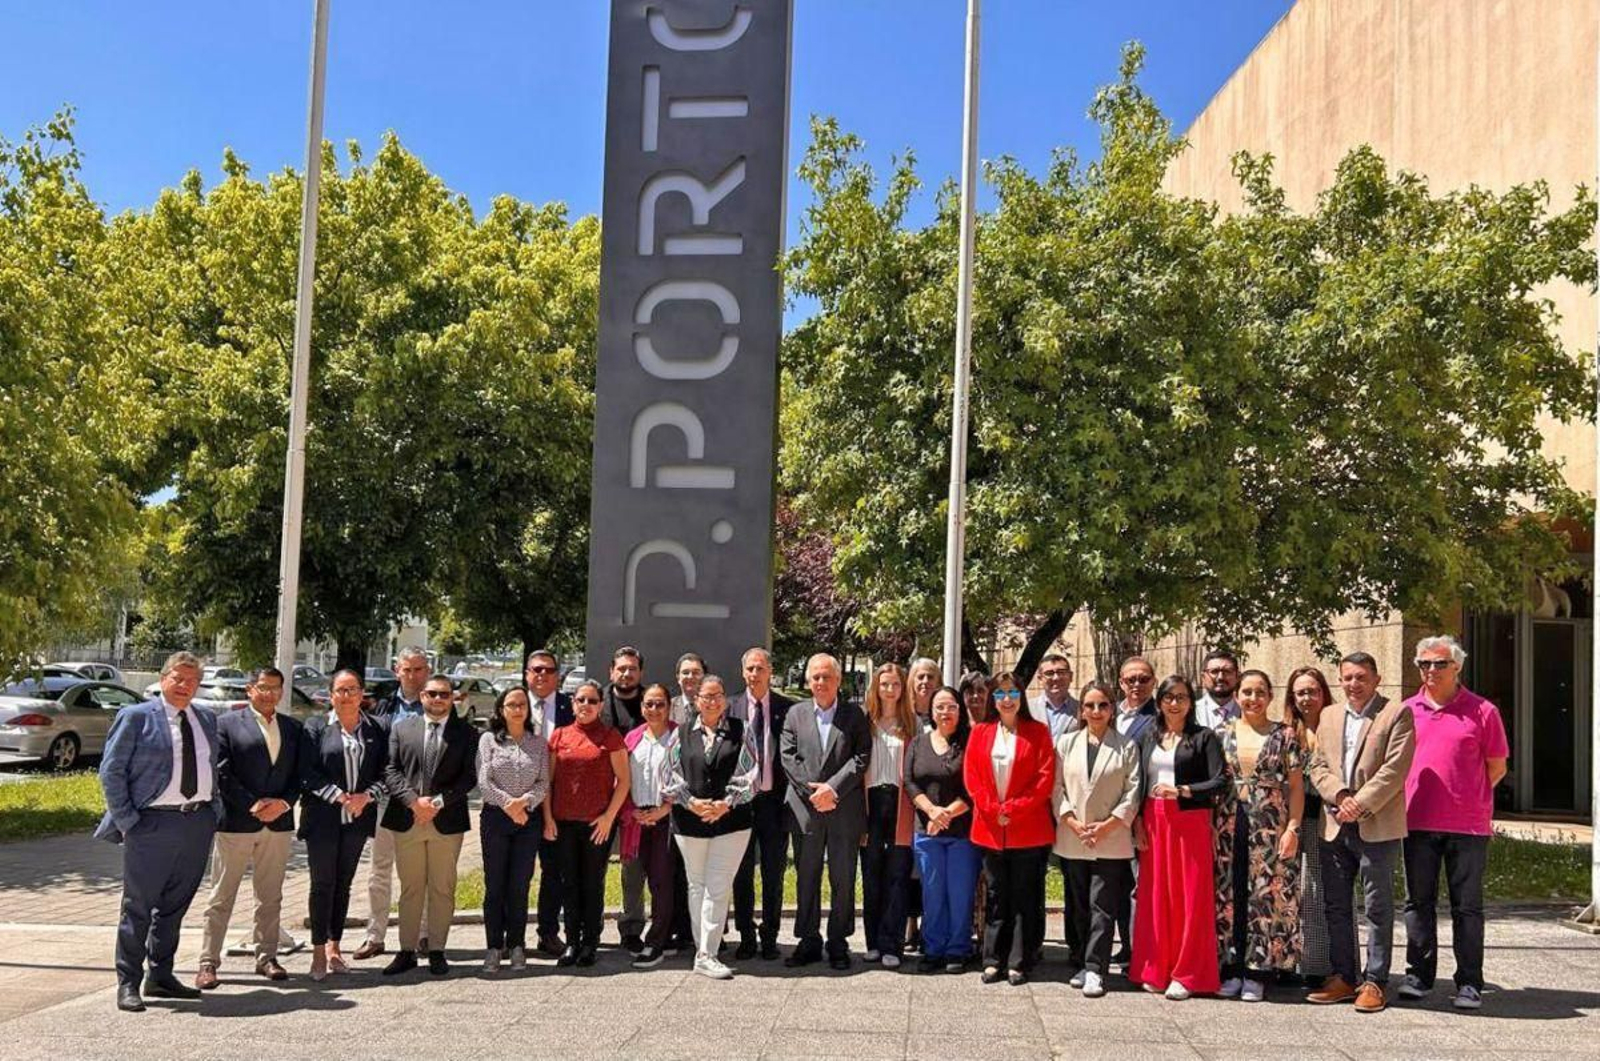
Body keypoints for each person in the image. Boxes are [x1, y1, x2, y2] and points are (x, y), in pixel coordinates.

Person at [97, 651, 225, 1012]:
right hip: (151, 824)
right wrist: (128, 822)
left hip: (196, 822)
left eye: (192, 681)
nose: (185, 686)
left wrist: (213, 813)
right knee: (138, 907)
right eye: (178, 679)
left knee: (174, 906)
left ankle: (161, 975)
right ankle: (128, 982)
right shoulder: (136, 717)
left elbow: (213, 767)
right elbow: (112, 772)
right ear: (163, 678)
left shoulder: (206, 719)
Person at [1398, 635, 1508, 1011]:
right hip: (1417, 821)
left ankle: (1469, 983)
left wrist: (1465, 796)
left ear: (1457, 666)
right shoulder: (1407, 710)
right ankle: (1418, 976)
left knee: (1467, 907)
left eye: (1438, 664)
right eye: (1424, 664)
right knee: (1418, 903)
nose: (1430, 671)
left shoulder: (1483, 711)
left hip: (1468, 826)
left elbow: (1496, 766)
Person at [1306, 651, 1415, 1013]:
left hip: (1376, 823)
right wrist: (1339, 795)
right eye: (1348, 678)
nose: (1354, 684)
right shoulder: (1329, 715)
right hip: (1335, 822)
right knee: (1336, 905)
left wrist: (1359, 802)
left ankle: (1375, 980)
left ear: (1376, 679)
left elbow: (1394, 770)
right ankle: (1344, 976)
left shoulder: (1396, 714)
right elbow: (1318, 765)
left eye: (1361, 678)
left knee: (1378, 906)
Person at [197, 666, 302, 988]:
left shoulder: (293, 728)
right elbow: (222, 771)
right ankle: (208, 962)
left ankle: (267, 957)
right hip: (238, 822)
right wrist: (252, 804)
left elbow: (301, 773)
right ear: (249, 690)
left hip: (279, 823)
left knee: (270, 896)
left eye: (275, 687)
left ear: (282, 691)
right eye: (262, 687)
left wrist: (284, 803)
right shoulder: (227, 724)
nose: (268, 693)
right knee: (221, 895)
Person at [1129, 675, 1226, 1000]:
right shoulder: (1148, 735)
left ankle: (1187, 974)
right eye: (1169, 697)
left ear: (1191, 702)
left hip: (1189, 821)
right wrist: (1137, 821)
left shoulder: (1204, 737)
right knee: (1155, 896)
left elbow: (1218, 781)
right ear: (1159, 702)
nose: (1175, 703)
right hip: (1153, 821)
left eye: (1182, 697)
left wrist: (1183, 791)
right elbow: (1140, 780)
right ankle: (1155, 968)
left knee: (1190, 898)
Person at [1213, 670, 1305, 1003]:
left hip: (1270, 825)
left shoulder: (1285, 735)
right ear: (1237, 696)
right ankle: (1231, 967)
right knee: (1229, 894)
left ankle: (1258, 971)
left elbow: (1296, 787)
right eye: (1247, 692)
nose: (1253, 698)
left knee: (1265, 898)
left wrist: (1292, 828)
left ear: (1270, 696)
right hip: (1226, 823)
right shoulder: (1220, 733)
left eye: (1260, 692)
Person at [381, 674, 477, 978]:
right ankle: (406, 951)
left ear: (453, 698)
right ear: (422, 696)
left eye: (444, 695)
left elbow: (468, 779)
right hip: (407, 818)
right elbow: (390, 770)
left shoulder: (467, 734)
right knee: (410, 889)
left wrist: (434, 804)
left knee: (442, 888)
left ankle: (437, 950)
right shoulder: (401, 729)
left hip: (445, 821)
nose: (438, 700)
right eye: (432, 694)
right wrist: (413, 802)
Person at [780, 653, 872, 969]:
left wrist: (832, 789)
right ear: (808, 681)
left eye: (827, 677)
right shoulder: (795, 714)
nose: (821, 682)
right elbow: (789, 759)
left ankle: (838, 942)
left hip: (843, 807)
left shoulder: (854, 715)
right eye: (815, 677)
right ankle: (808, 940)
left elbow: (860, 757)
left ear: (838, 681)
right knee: (807, 876)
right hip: (804, 810)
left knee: (843, 877)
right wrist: (814, 793)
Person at [664, 675, 759, 979]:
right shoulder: (680, 734)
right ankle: (703, 950)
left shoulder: (741, 731)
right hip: (689, 821)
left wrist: (726, 803)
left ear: (726, 700)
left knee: (717, 886)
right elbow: (668, 774)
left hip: (731, 821)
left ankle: (707, 953)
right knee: (697, 885)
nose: (713, 701)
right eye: (706, 696)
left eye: (718, 695)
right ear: (696, 701)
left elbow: (752, 773)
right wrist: (691, 802)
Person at [964, 671, 1055, 986]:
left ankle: (1019, 961)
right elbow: (972, 777)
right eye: (1000, 694)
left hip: (1028, 827)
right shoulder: (981, 732)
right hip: (991, 828)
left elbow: (1044, 780)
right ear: (992, 698)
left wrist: (1013, 810)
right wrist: (993, 808)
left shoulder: (1038, 732)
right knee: (996, 895)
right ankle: (992, 959)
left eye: (1012, 694)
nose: (1006, 700)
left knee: (1024, 897)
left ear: (1021, 698)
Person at [299, 669, 388, 981]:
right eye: (341, 690)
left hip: (357, 820)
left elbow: (386, 771)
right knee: (322, 884)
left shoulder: (376, 728)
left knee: (343, 884)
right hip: (323, 819)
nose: (347, 695)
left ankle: (336, 947)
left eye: (353, 689)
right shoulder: (315, 727)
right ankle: (318, 951)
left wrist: (367, 797)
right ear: (331, 694)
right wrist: (339, 796)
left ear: (362, 694)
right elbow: (307, 772)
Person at [1053, 680, 1140, 998]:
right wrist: (1073, 822)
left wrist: (1107, 826)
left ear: (1112, 709)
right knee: (1077, 905)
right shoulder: (1066, 743)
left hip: (1111, 838)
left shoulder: (1126, 746)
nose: (1096, 711)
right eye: (1090, 705)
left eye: (1103, 705)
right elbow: (1056, 788)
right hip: (1074, 836)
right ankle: (1079, 959)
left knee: (1102, 906)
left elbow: (1133, 792)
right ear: (1081, 710)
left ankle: (1095, 969)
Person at [544, 679, 630, 966]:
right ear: (573, 703)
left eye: (592, 701)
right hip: (564, 822)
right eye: (581, 700)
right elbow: (548, 782)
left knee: (592, 883)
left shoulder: (611, 737)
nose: (586, 705)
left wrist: (608, 817)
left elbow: (624, 781)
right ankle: (572, 941)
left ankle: (590, 942)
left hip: (597, 825)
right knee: (569, 883)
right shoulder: (559, 736)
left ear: (601, 705)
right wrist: (547, 818)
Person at [354, 644, 430, 961]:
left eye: (418, 669)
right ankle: (375, 935)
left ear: (426, 671)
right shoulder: (382, 707)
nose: (412, 676)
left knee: (420, 872)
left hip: (423, 803)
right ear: (396, 670)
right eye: (406, 669)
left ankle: (423, 934)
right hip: (386, 800)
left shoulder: (435, 705)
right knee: (379, 871)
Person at [906, 686, 979, 973]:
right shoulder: (918, 743)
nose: (945, 712)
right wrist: (932, 811)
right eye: (939, 707)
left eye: (951, 707)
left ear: (960, 711)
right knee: (932, 893)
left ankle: (958, 949)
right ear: (931, 712)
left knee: (960, 894)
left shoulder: (971, 742)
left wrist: (947, 813)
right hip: (927, 832)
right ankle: (933, 948)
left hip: (962, 832)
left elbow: (975, 786)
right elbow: (910, 781)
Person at [477, 685, 549, 973]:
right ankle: (494, 946)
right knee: (495, 885)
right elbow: (484, 781)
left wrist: (525, 803)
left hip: (527, 821)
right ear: (501, 710)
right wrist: (509, 805)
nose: (518, 709)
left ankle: (517, 945)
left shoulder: (538, 743)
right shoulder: (488, 740)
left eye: (522, 704)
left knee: (520, 885)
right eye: (511, 705)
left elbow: (543, 782)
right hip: (496, 818)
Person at [730, 646, 793, 960]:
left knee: (773, 872)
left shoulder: (788, 709)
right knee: (741, 874)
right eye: (749, 669)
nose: (754, 674)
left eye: (760, 668)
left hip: (774, 803)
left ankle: (769, 935)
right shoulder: (730, 708)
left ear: (770, 672)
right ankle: (745, 935)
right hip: (740, 805)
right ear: (743, 672)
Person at [860, 662, 916, 968]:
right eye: (884, 684)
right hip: (871, 802)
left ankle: (892, 943)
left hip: (900, 804)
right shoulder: (865, 722)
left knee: (896, 875)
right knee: (871, 875)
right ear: (876, 687)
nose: (890, 690)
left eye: (895, 684)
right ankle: (872, 942)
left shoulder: (912, 725)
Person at [621, 683, 680, 969]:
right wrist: (633, 811)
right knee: (636, 877)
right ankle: (655, 935)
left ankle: (656, 942)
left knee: (662, 881)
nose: (654, 709)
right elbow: (622, 780)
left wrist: (664, 809)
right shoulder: (632, 738)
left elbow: (687, 778)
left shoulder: (679, 736)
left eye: (659, 704)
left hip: (666, 818)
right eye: (649, 704)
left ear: (669, 706)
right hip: (636, 818)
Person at [1286, 665, 1335, 986]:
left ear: (1324, 694)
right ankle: (1286, 961)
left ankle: (1317, 965)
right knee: (1288, 891)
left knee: (1316, 891)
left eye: (1313, 691)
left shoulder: (1335, 728)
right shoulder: (1287, 732)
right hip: (1290, 819)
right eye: (1301, 692)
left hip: (1323, 818)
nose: (1307, 698)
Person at [1110, 655, 1159, 970]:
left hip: (1139, 815)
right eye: (1131, 680)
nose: (1137, 685)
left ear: (1153, 682)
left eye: (1143, 679)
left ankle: (1139, 951)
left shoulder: (1159, 718)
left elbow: (1146, 772)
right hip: (1105, 815)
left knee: (1139, 887)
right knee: (1114, 885)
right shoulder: (1107, 712)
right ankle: (1124, 945)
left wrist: (1136, 815)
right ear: (1121, 683)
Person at [523, 649, 574, 957]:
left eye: (548, 670)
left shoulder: (571, 707)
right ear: (527, 673)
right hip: (518, 802)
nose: (542, 675)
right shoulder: (512, 705)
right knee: (516, 872)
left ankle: (548, 932)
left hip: (558, 802)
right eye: (536, 669)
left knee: (554, 872)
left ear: (557, 675)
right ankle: (508, 935)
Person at [598, 646, 649, 953]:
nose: (626, 673)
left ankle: (631, 927)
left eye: (632, 668)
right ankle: (591, 926)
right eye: (621, 668)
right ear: (611, 671)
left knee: (634, 865)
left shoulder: (652, 701)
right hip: (600, 796)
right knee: (595, 864)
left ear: (640, 672)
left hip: (638, 797)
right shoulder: (597, 701)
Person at [1034, 653, 1080, 740]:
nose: (1056, 678)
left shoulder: (1082, 710)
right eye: (1049, 673)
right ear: (1040, 679)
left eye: (1061, 672)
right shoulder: (1026, 708)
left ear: (1070, 676)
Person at [1195, 650, 1241, 730]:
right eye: (1214, 671)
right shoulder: (1192, 712)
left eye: (1227, 671)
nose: (1220, 677)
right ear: (1203, 677)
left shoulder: (1246, 711)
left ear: (1237, 676)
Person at [669, 652, 705, 727]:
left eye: (696, 672)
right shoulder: (668, 707)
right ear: (678, 678)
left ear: (704, 676)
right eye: (685, 672)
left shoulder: (714, 706)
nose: (690, 677)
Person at [908, 658, 941, 730]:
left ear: (938, 682)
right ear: (912, 681)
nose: (925, 681)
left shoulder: (943, 714)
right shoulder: (903, 714)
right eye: (921, 677)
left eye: (930, 677)